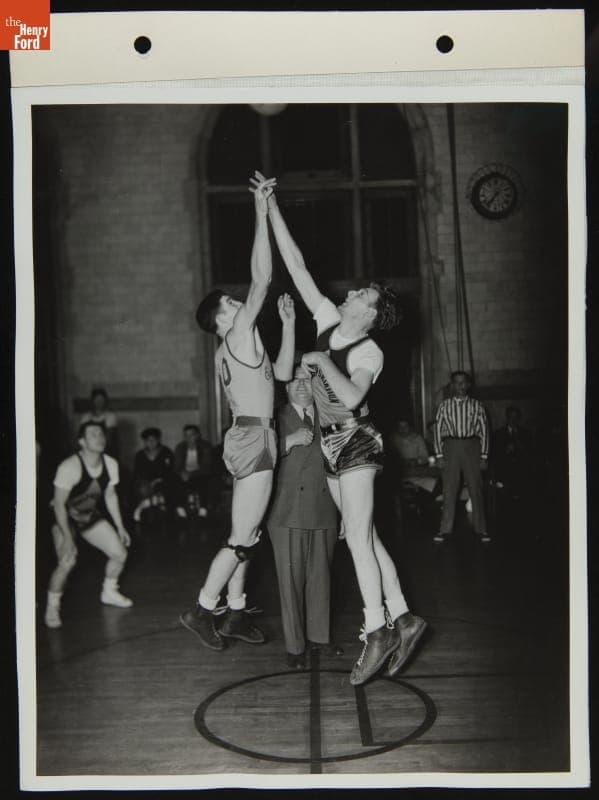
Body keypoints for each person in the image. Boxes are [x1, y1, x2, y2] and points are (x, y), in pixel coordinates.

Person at [264, 173, 426, 686]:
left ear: (370, 314)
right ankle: (404, 616)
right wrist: (271, 208)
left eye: (361, 294)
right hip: (333, 445)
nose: (351, 291)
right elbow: (296, 265)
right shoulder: (327, 319)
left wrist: (318, 361)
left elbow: (354, 397)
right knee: (366, 536)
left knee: (355, 536)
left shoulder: (368, 351)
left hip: (358, 440)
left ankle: (376, 629)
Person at [180, 172, 295, 651]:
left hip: (252, 433)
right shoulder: (237, 334)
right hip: (253, 435)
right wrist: (261, 212)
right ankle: (203, 609)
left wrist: (288, 326)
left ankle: (236, 610)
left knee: (247, 531)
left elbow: (282, 374)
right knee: (243, 537)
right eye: (230, 303)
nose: (238, 302)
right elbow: (262, 277)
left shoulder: (237, 346)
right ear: (221, 319)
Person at [267, 364, 342, 669]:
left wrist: (346, 511)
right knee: (290, 582)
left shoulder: (331, 416)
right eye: (295, 380)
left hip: (325, 508)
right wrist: (287, 442)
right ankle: (295, 646)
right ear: (285, 387)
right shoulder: (273, 418)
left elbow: (341, 466)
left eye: (307, 380)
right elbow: (253, 456)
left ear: (317, 386)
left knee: (321, 578)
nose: (301, 385)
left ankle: (320, 638)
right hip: (286, 511)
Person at [44, 421, 132, 629]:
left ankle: (109, 591)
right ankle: (52, 607)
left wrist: (120, 527)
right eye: (93, 434)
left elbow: (110, 496)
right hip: (62, 517)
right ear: (82, 442)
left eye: (101, 434)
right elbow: (59, 505)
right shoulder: (69, 467)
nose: (99, 437)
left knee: (120, 553)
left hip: (85, 514)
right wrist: (67, 537)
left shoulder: (110, 464)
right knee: (67, 561)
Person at [432, 371, 490, 543]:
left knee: (475, 488)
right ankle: (444, 529)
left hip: (472, 446)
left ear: (468, 384)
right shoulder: (444, 406)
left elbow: (484, 431)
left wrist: (484, 456)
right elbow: (437, 430)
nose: (461, 386)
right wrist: (439, 454)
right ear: (452, 385)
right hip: (451, 447)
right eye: (457, 383)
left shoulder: (477, 405)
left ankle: (481, 529)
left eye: (464, 382)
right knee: (449, 489)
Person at [132, 427, 175, 522]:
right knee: (143, 488)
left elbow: (170, 470)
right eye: (148, 440)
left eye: (153, 440)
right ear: (144, 442)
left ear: (158, 440)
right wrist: (147, 481)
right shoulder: (140, 455)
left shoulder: (166, 452)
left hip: (162, 480)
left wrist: (158, 480)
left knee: (165, 487)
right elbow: (137, 472)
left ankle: (152, 506)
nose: (151, 443)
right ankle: (144, 507)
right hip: (145, 481)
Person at [173, 424, 215, 518]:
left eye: (191, 435)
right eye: (186, 435)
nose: (188, 438)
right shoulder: (180, 447)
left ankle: (203, 508)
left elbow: (206, 466)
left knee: (205, 480)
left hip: (199, 474)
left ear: (197, 435)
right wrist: (182, 472)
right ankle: (179, 507)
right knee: (173, 480)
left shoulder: (205, 446)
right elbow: (177, 465)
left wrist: (191, 474)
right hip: (184, 474)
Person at [492, 406, 532, 502]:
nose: (513, 420)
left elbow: (531, 453)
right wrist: (505, 450)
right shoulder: (498, 434)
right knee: (506, 500)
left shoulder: (525, 433)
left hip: (521, 474)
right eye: (511, 417)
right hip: (505, 473)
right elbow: (494, 455)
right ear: (507, 418)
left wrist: (522, 448)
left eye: (516, 417)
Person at [80, 388, 118, 456]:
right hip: (89, 452)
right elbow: (82, 437)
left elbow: (109, 439)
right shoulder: (86, 417)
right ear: (92, 401)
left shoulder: (110, 416)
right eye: (97, 399)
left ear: (105, 401)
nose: (99, 402)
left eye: (101, 400)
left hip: (107, 451)